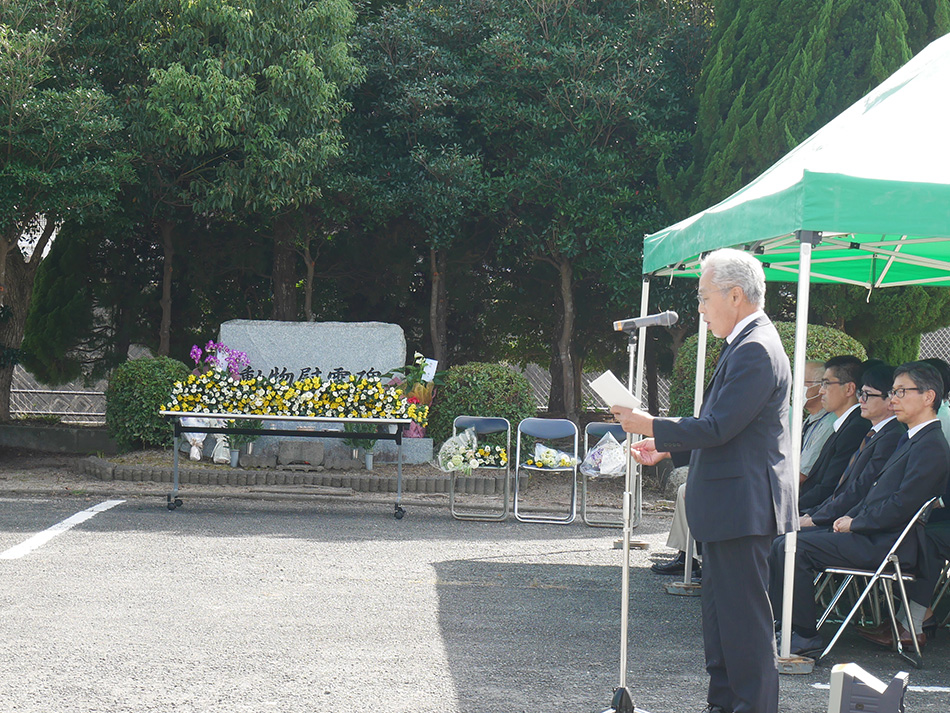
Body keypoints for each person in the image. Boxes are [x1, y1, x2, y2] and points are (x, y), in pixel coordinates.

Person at [611, 248, 796, 713]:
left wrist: (651, 424)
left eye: (703, 296)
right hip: (731, 508)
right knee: (722, 631)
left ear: (735, 295)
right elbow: (728, 430)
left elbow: (718, 427)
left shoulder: (756, 348)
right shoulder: (745, 343)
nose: (699, 308)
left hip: (742, 508)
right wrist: (669, 447)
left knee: (744, 632)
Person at [767, 361, 950, 656]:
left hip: (887, 544)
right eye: (893, 392)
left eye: (901, 392)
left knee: (795, 548)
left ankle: (803, 635)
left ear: (928, 397)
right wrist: (850, 517)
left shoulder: (930, 445)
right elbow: (876, 493)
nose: (894, 399)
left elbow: (900, 505)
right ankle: (783, 625)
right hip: (873, 534)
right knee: (783, 543)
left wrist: (855, 523)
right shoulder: (913, 438)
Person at [651, 359, 831, 580]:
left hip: (770, 489)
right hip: (761, 483)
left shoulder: (801, 416)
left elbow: (797, 471)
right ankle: (691, 556)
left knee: (698, 491)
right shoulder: (809, 420)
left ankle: (706, 561)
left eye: (806, 383)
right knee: (690, 489)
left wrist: (653, 428)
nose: (801, 390)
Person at [801, 363, 904, 526]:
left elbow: (859, 489)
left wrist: (814, 518)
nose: (861, 400)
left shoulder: (889, 436)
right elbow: (844, 489)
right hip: (832, 513)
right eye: (861, 393)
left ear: (890, 400)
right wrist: (812, 514)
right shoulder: (874, 433)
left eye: (867, 395)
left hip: (851, 521)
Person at [796, 356, 870, 512]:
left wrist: (791, 508)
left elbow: (829, 487)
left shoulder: (855, 428)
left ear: (849, 389)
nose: (821, 391)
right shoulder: (844, 424)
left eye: (826, 384)